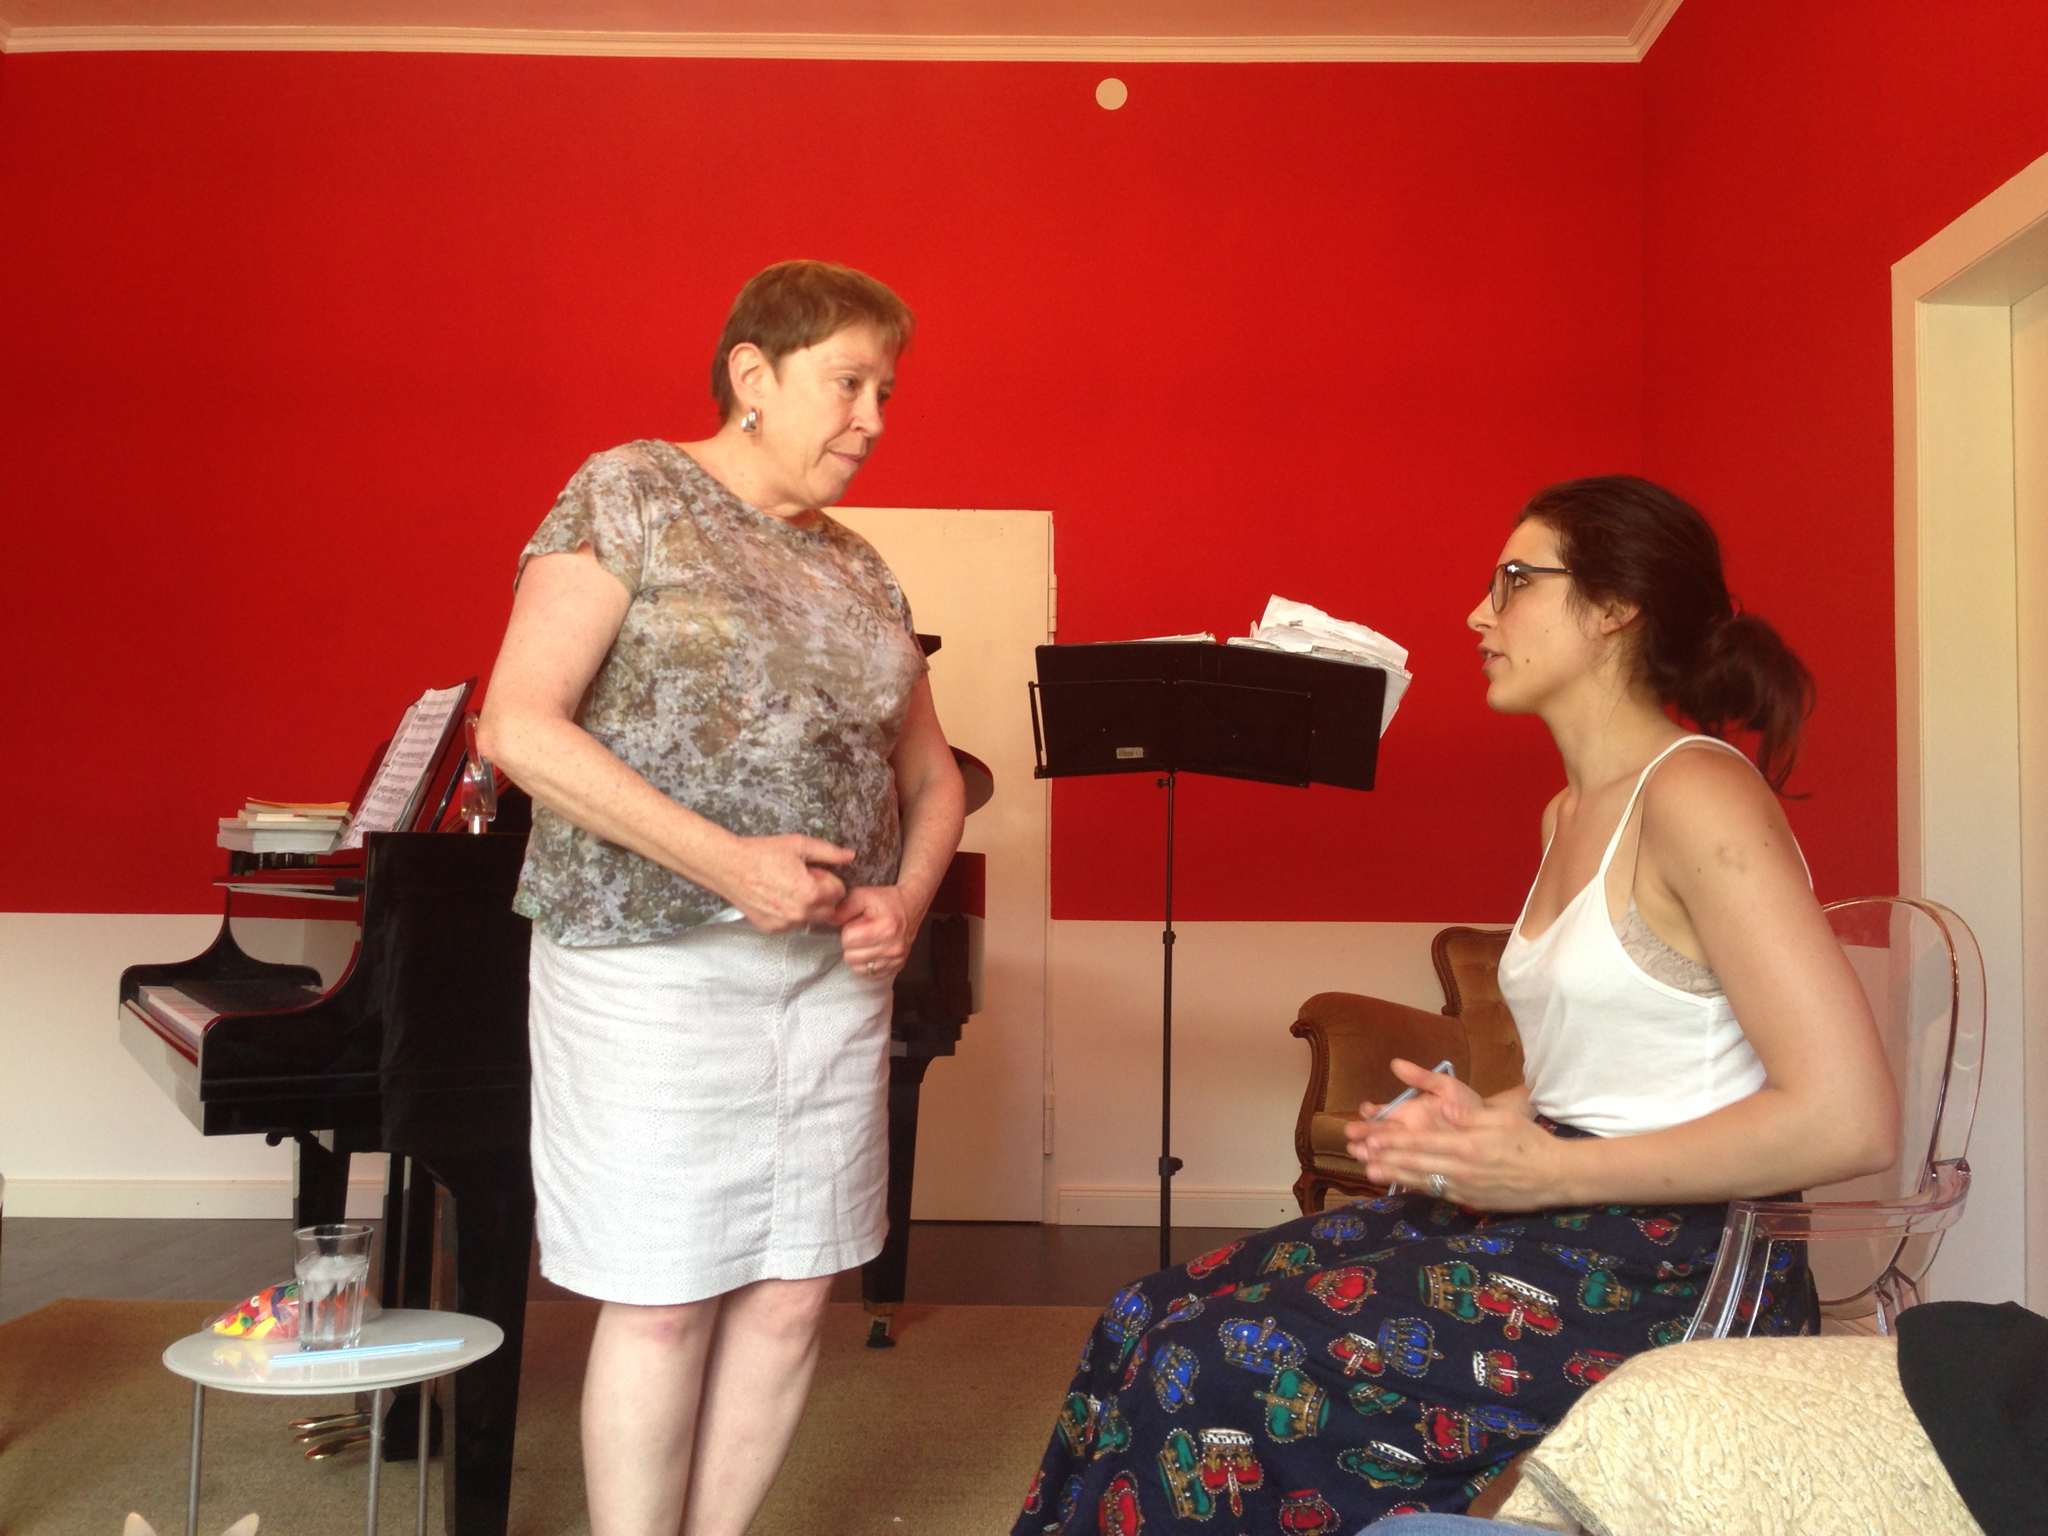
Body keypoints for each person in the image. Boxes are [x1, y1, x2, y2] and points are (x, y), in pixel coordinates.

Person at [1010, 475, 1897, 1533]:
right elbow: (1621, 1072)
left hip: (1678, 1264)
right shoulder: (1568, 812)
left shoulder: (1697, 794)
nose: (1479, 613)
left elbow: (1848, 1119)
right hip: (1566, 1213)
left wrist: (1549, 1169)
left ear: (1615, 608)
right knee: (1143, 1312)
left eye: (1516, 580)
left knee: (1204, 1366)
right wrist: (1474, 1127)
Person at [477, 259, 965, 1536]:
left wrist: (907, 901)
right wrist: (728, 863)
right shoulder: (631, 490)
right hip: (649, 969)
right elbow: (516, 727)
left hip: (828, 983)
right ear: (753, 372)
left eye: (886, 391)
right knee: (663, 1295)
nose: (873, 419)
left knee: (797, 1289)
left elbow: (933, 779)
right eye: (848, 384)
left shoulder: (863, 570)